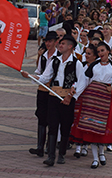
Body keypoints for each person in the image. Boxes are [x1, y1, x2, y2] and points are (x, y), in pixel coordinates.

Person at [21, 34, 87, 166]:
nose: (60, 46)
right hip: (53, 96)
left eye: (63, 44)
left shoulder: (77, 63)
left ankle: (61, 153)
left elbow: (82, 83)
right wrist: (31, 76)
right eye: (60, 43)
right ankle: (51, 156)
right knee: (52, 125)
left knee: (66, 125)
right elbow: (45, 78)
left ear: (70, 46)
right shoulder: (55, 61)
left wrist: (71, 97)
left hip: (67, 97)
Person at [71, 42, 112, 169]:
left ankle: (102, 153)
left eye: (102, 50)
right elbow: (84, 81)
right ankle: (94, 158)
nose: (100, 53)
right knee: (91, 126)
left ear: (108, 51)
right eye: (98, 52)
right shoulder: (93, 65)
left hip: (105, 99)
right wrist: (75, 96)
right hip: (91, 98)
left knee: (102, 126)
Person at [28, 31, 60, 157]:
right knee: (41, 117)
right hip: (42, 90)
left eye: (50, 41)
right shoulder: (43, 56)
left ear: (56, 42)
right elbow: (39, 71)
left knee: (51, 118)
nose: (47, 43)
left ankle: (49, 146)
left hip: (53, 91)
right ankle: (40, 146)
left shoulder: (59, 56)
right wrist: (33, 76)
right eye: (46, 41)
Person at [72, 44, 98, 159]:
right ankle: (78, 146)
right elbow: (76, 78)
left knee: (88, 122)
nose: (86, 56)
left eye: (89, 54)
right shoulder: (81, 65)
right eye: (85, 53)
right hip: (81, 96)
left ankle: (85, 147)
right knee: (78, 120)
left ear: (95, 56)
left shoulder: (97, 67)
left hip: (91, 98)